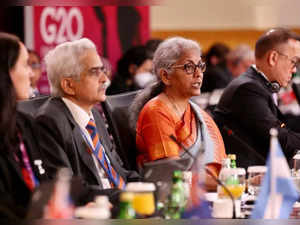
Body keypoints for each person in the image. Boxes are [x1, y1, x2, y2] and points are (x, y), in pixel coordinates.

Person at [35, 38, 139, 206]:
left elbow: (118, 170)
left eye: (103, 70)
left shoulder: (94, 116)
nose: (105, 79)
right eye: (94, 72)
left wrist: (147, 185)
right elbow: (69, 189)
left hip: (120, 202)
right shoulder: (49, 121)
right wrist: (124, 196)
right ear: (68, 85)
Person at [130, 37, 227, 190]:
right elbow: (174, 175)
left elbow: (222, 167)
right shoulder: (156, 112)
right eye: (188, 67)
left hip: (213, 194)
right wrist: (235, 184)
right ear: (166, 76)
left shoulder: (198, 113)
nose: (198, 74)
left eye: (200, 66)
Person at [214, 28, 300, 167]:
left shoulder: (258, 84)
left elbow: (283, 127)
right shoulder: (247, 89)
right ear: (273, 58)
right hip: (246, 181)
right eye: (293, 61)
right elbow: (278, 139)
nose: (295, 69)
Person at [0, 33, 48, 219]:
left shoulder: (24, 122)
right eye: (25, 64)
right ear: (6, 72)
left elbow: (44, 181)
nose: (31, 73)